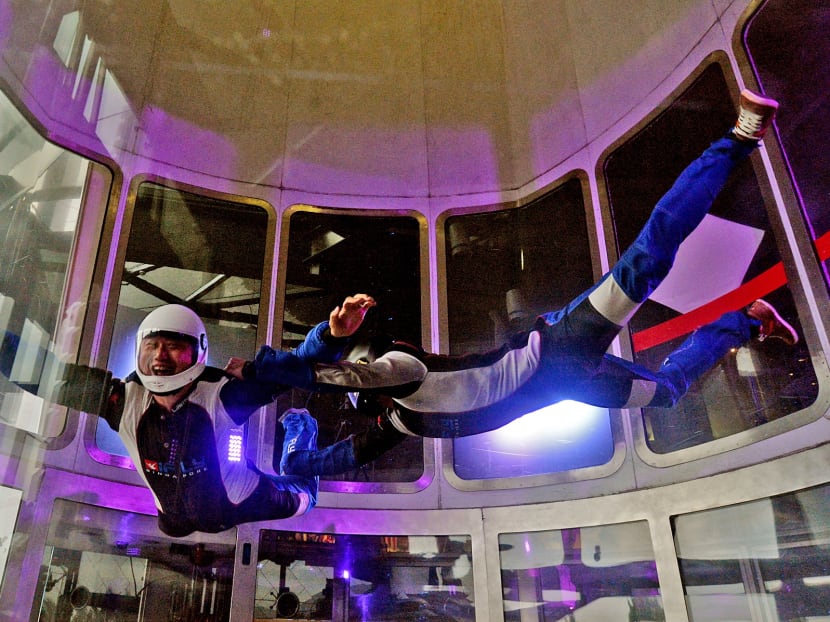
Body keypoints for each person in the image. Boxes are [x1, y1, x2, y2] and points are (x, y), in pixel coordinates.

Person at [226, 90, 799, 477]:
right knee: (669, 391)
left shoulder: (402, 376)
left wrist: (265, 373)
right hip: (575, 385)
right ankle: (749, 320)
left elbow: (341, 378)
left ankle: (740, 135)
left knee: (647, 261)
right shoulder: (397, 415)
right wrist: (286, 452)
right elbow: (341, 451)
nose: (392, 356)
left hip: (561, 347)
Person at [52, 293, 375, 536]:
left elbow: (294, 368)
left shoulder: (223, 396)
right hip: (173, 518)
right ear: (140, 349)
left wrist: (332, 337)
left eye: (174, 345)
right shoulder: (123, 401)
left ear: (197, 351)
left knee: (306, 495)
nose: (161, 356)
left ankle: (299, 430)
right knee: (174, 525)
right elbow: (51, 377)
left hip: (242, 502)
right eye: (153, 345)